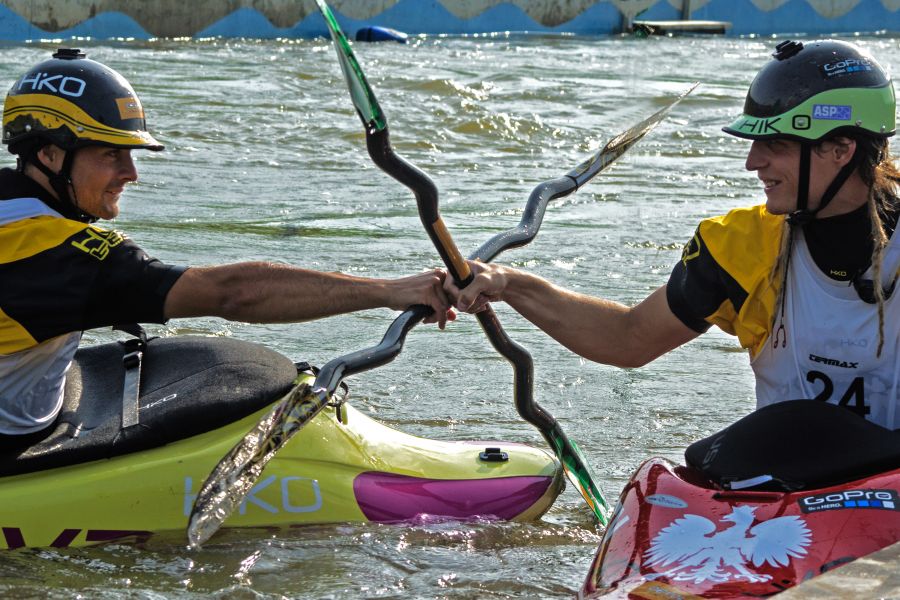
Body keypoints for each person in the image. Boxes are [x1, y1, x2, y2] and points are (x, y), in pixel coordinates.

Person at [445, 39, 899, 431]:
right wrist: (508, 283)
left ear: (841, 149)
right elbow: (628, 338)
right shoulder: (741, 246)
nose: (752, 163)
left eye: (775, 145)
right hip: (795, 484)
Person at [0, 49, 453, 437]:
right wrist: (389, 291)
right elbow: (232, 293)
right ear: (49, 154)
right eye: (110, 154)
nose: (131, 174)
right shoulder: (60, 257)